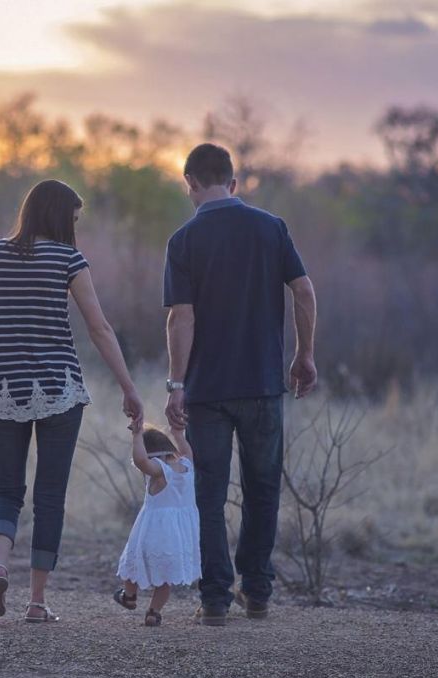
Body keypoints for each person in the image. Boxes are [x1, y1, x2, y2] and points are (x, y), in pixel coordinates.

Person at [0, 179, 143, 622]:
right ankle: (37, 602)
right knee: (50, 496)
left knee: (6, 489)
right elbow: (99, 328)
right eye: (73, 219)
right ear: (60, 217)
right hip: (59, 389)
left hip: (2, 387)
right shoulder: (68, 259)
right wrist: (128, 387)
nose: (74, 227)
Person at [163, 143, 318, 626]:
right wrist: (304, 354)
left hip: (207, 390)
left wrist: (176, 383)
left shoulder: (183, 240)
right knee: (263, 489)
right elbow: (304, 290)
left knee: (208, 495)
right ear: (233, 183)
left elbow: (181, 318)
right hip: (263, 384)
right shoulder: (271, 228)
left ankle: (214, 599)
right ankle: (257, 592)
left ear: (190, 183)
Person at [113, 424, 200, 626]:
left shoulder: (160, 471)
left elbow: (141, 461)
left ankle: (129, 596)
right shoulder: (187, 465)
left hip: (153, 532)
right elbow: (187, 450)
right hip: (178, 537)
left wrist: (137, 436)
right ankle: (153, 612)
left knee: (132, 564)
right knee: (165, 579)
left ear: (152, 455)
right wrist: (178, 434)